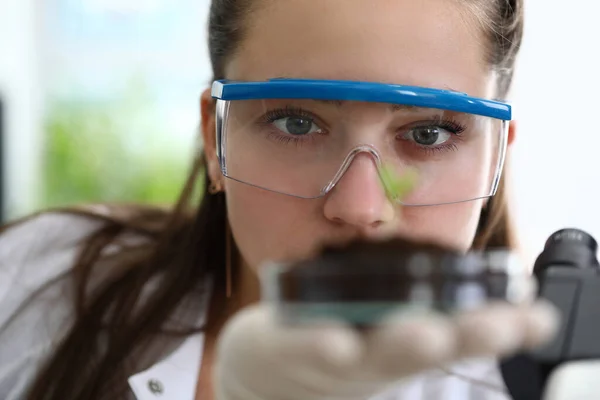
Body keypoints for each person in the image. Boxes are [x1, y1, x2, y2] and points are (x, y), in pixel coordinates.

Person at [0, 0, 559, 399]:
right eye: (295, 123)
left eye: (429, 134)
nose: (361, 207)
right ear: (214, 140)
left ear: (495, 158)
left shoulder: (543, 385)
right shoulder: (36, 286)